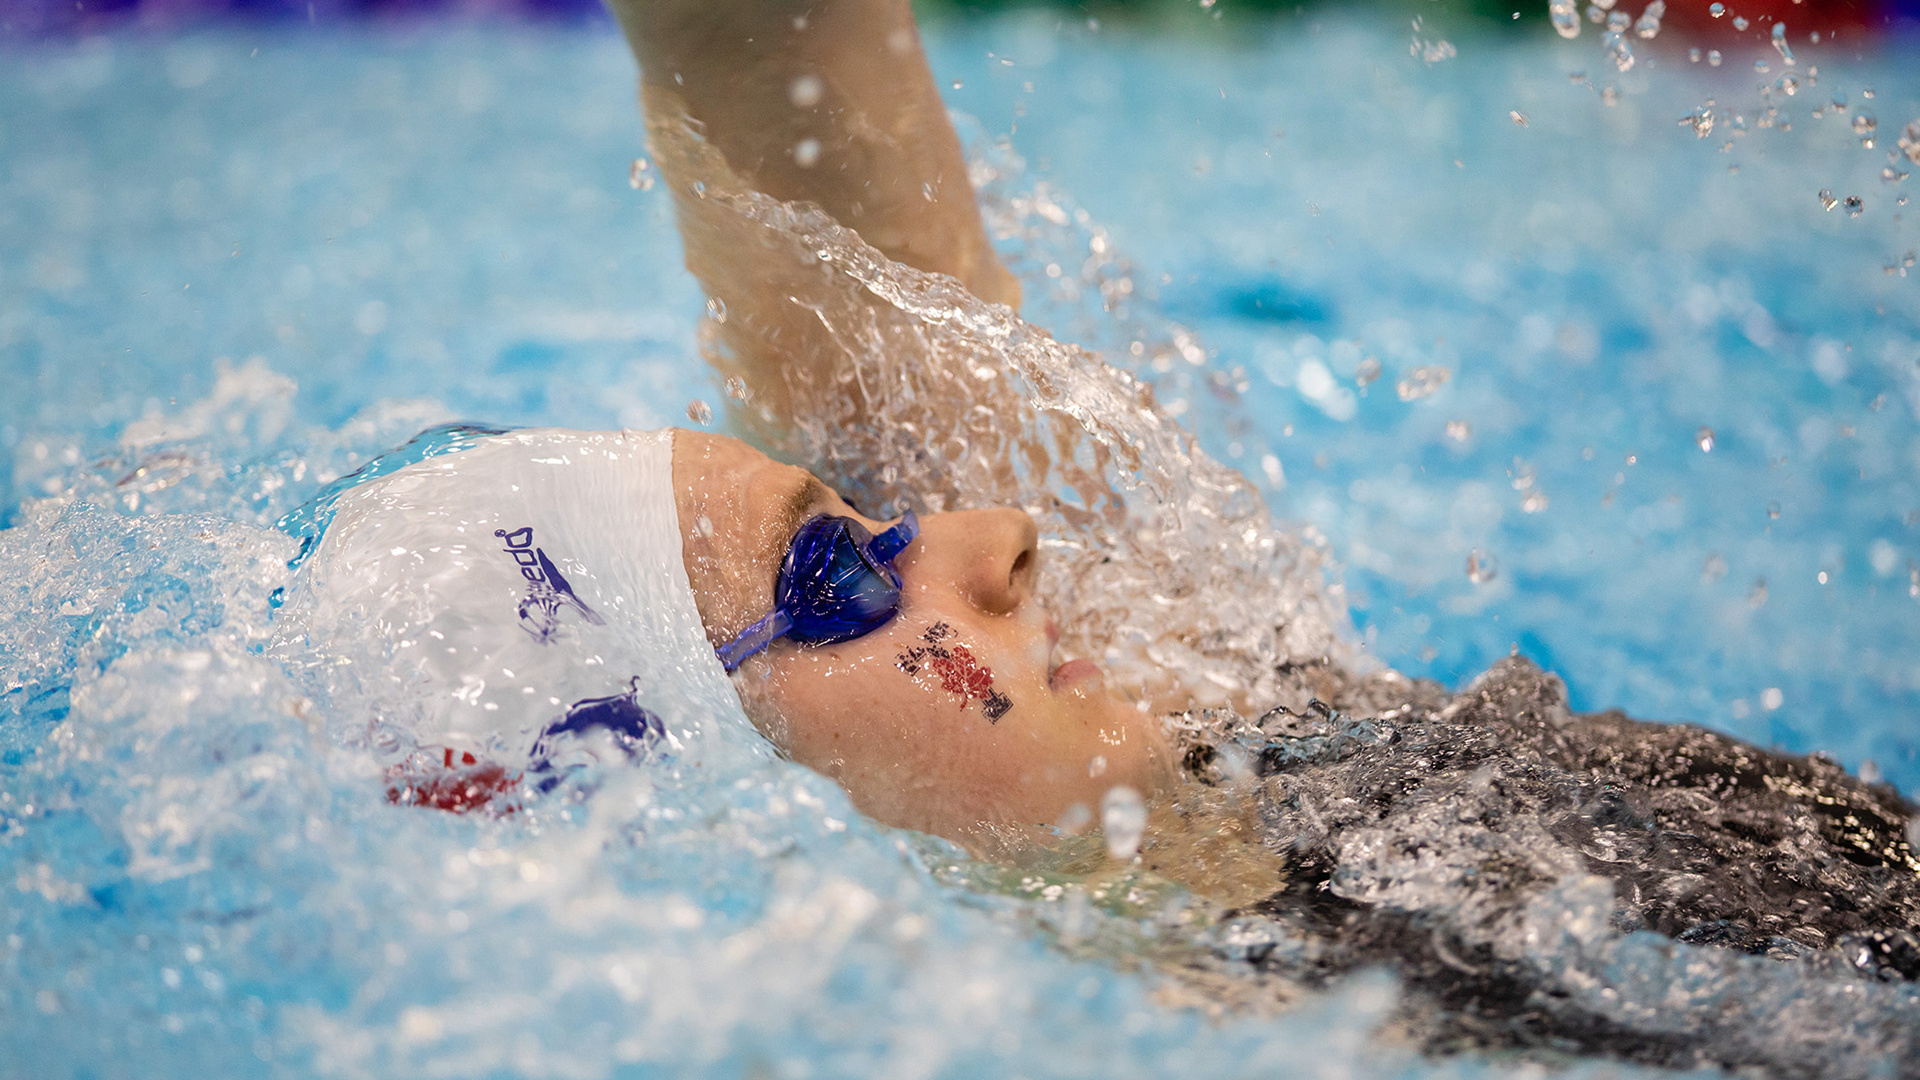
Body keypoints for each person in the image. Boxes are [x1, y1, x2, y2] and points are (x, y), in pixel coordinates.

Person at [278, 2, 1920, 1072]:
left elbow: (776, 48)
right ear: (703, 792)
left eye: (879, 519)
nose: (995, 538)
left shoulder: (1188, 689)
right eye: (837, 574)